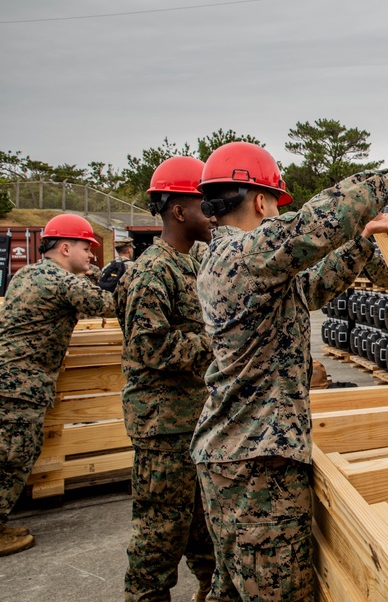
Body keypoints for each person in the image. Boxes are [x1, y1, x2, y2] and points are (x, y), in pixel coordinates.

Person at [190, 141, 388, 600]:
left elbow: (311, 286)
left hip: (237, 455)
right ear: (261, 201)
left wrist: (362, 242)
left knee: (234, 588)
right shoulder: (245, 254)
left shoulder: (233, 263)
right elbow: (320, 220)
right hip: (255, 466)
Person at [115, 156, 216, 602]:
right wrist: (216, 345)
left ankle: (210, 587)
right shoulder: (153, 269)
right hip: (162, 427)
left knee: (201, 525)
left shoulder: (189, 264)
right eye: (203, 204)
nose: (212, 213)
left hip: (189, 420)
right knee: (160, 534)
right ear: (178, 211)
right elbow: (149, 346)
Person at [0, 214, 115, 557]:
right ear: (65, 247)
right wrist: (117, 282)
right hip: (20, 387)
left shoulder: (29, 274)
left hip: (12, 382)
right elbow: (108, 304)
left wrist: (97, 274)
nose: (92, 256)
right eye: (86, 248)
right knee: (13, 456)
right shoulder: (61, 282)